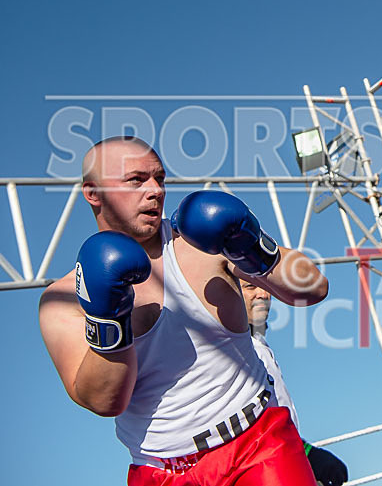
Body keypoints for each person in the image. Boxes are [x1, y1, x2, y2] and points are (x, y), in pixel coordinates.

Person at [39, 136, 328, 485]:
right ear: (93, 193)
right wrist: (108, 317)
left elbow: (312, 289)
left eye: (159, 179)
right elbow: (102, 401)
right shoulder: (64, 298)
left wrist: (250, 246)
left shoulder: (198, 243)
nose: (155, 190)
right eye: (136, 180)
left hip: (257, 446)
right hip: (160, 472)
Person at [241, 281, 349, 486]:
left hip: (282, 464)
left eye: (265, 286)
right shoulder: (233, 351)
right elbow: (251, 428)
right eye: (250, 286)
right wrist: (307, 453)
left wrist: (306, 452)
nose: (263, 294)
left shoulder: (259, 344)